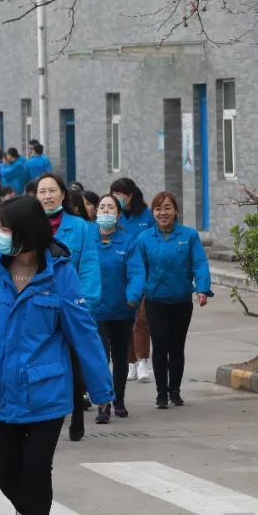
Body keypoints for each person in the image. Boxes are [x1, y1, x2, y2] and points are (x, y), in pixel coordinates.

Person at [0, 196, 113, 515]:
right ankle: (27, 511)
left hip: (47, 390)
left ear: (27, 233)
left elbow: (83, 332)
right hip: (2, 388)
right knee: (3, 470)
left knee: (36, 468)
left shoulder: (60, 274)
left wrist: (102, 389)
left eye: (6, 229)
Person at [128, 191, 212, 408]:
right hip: (155, 300)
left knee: (176, 346)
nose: (162, 213)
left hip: (181, 301)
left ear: (175, 211)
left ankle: (174, 391)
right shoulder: (144, 238)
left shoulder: (189, 235)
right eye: (158, 209)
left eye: (167, 208)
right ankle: (161, 393)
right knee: (160, 343)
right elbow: (138, 270)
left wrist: (202, 289)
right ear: (153, 212)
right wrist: (134, 295)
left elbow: (199, 263)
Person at [34, 173, 101, 442]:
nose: (47, 196)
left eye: (52, 191)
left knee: (73, 364)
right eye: (42, 191)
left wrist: (85, 305)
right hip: (38, 310)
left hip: (70, 308)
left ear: (63, 195)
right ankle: (46, 415)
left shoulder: (81, 228)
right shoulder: (29, 226)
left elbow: (89, 268)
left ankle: (77, 414)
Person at [92, 194, 144, 423]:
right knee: (101, 357)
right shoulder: (88, 240)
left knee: (120, 357)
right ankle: (103, 403)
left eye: (110, 208)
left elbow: (136, 272)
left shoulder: (128, 242)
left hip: (122, 310)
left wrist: (133, 296)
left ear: (118, 214)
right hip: (95, 311)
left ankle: (119, 399)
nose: (105, 211)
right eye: (102, 207)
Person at [110, 177, 156, 384]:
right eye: (113, 193)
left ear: (130, 195)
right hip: (120, 275)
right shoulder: (114, 216)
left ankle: (143, 360)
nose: (116, 197)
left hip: (145, 273)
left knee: (142, 319)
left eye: (120, 193)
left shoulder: (146, 215)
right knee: (126, 320)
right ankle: (130, 362)